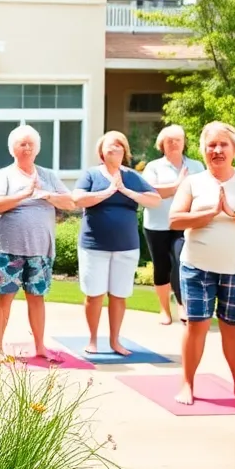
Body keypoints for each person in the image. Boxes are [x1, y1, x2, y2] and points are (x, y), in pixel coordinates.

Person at [169, 121, 235, 405]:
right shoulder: (193, 182)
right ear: (203, 150)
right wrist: (208, 214)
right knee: (197, 325)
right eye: (211, 145)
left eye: (223, 145)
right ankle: (187, 384)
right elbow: (174, 219)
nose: (216, 150)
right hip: (197, 266)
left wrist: (233, 211)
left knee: (233, 327)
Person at [0, 125, 74, 361]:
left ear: (37, 149)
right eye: (22, 144)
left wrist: (46, 194)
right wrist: (24, 194)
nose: (27, 148)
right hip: (9, 247)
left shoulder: (48, 176)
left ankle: (40, 347)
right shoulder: (4, 174)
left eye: (30, 144)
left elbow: (70, 203)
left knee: (37, 297)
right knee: (6, 296)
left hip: (40, 249)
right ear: (12, 149)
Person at [72, 131, 161, 355]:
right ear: (101, 152)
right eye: (110, 146)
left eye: (119, 145)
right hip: (94, 245)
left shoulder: (131, 176)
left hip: (126, 246)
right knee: (94, 295)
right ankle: (92, 339)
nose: (115, 149)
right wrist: (108, 192)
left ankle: (115, 341)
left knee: (119, 295)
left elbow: (155, 200)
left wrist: (126, 191)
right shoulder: (92, 175)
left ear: (125, 151)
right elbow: (78, 199)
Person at [142, 125, 205, 325]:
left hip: (184, 222)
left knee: (181, 260)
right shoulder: (153, 167)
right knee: (162, 266)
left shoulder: (196, 166)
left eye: (178, 139)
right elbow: (152, 192)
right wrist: (178, 185)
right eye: (169, 140)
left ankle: (182, 305)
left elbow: (203, 190)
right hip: (157, 224)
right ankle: (164, 309)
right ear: (162, 145)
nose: (174, 143)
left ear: (184, 142)